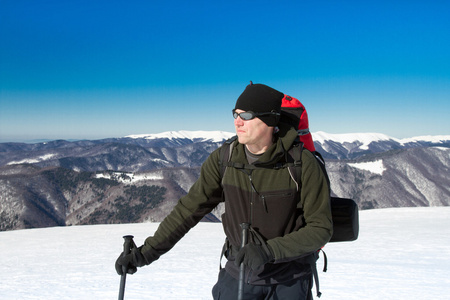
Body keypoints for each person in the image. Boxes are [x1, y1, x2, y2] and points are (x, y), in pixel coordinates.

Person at [115, 83, 333, 299]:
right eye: (235, 114)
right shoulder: (225, 160)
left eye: (246, 115)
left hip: (290, 281)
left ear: (270, 120)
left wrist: (269, 251)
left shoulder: (302, 164)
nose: (237, 121)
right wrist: (144, 254)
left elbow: (321, 228)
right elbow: (187, 211)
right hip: (238, 275)